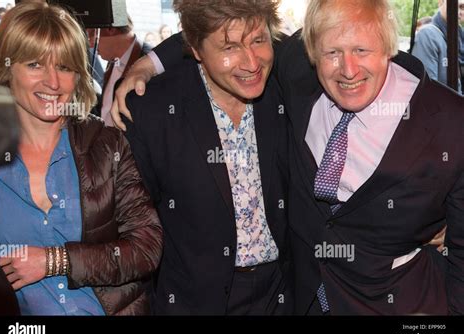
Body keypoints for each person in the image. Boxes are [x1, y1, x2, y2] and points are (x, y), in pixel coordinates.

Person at [113, 0, 463, 315]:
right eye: (332, 53)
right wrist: (148, 62)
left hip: (344, 300)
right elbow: (220, 26)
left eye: (258, 41)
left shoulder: (445, 121)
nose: (349, 70)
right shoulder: (157, 109)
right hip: (243, 299)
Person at [0, 1, 163, 315]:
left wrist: (55, 261)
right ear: (7, 67)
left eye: (65, 67)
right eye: (34, 65)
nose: (53, 82)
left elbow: (146, 248)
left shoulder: (105, 145)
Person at [123, 0, 292, 315]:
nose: (252, 62)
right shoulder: (153, 110)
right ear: (195, 48)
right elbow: (135, 229)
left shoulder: (287, 85)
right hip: (192, 301)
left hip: (278, 296)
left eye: (259, 40)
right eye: (229, 48)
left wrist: (150, 60)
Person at [87, 17, 150, 126]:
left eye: (93, 35)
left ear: (110, 29)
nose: (91, 45)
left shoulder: (149, 64)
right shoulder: (112, 61)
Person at [412, 0, 464, 93]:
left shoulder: (460, 37)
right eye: (457, 6)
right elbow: (426, 90)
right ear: (440, 2)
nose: (460, 12)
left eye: (463, 8)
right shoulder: (428, 36)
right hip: (444, 106)